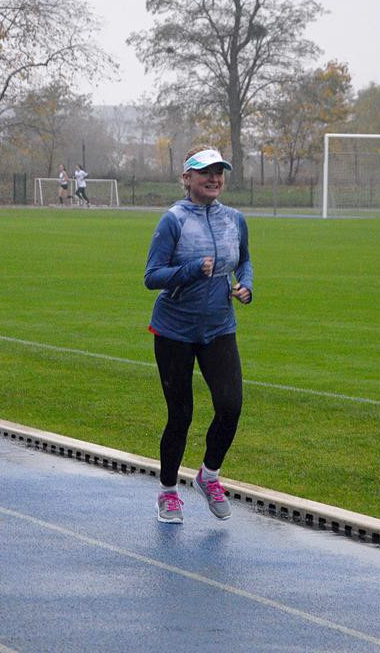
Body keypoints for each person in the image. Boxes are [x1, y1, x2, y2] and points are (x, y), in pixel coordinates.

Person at [144, 146, 253, 524]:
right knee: (181, 415)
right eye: (205, 172)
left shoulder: (235, 220)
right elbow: (151, 276)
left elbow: (244, 262)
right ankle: (169, 492)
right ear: (187, 178)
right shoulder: (172, 221)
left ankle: (209, 476)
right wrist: (190, 270)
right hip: (175, 329)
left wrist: (246, 286)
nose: (214, 178)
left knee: (231, 405)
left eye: (219, 172)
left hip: (220, 326)